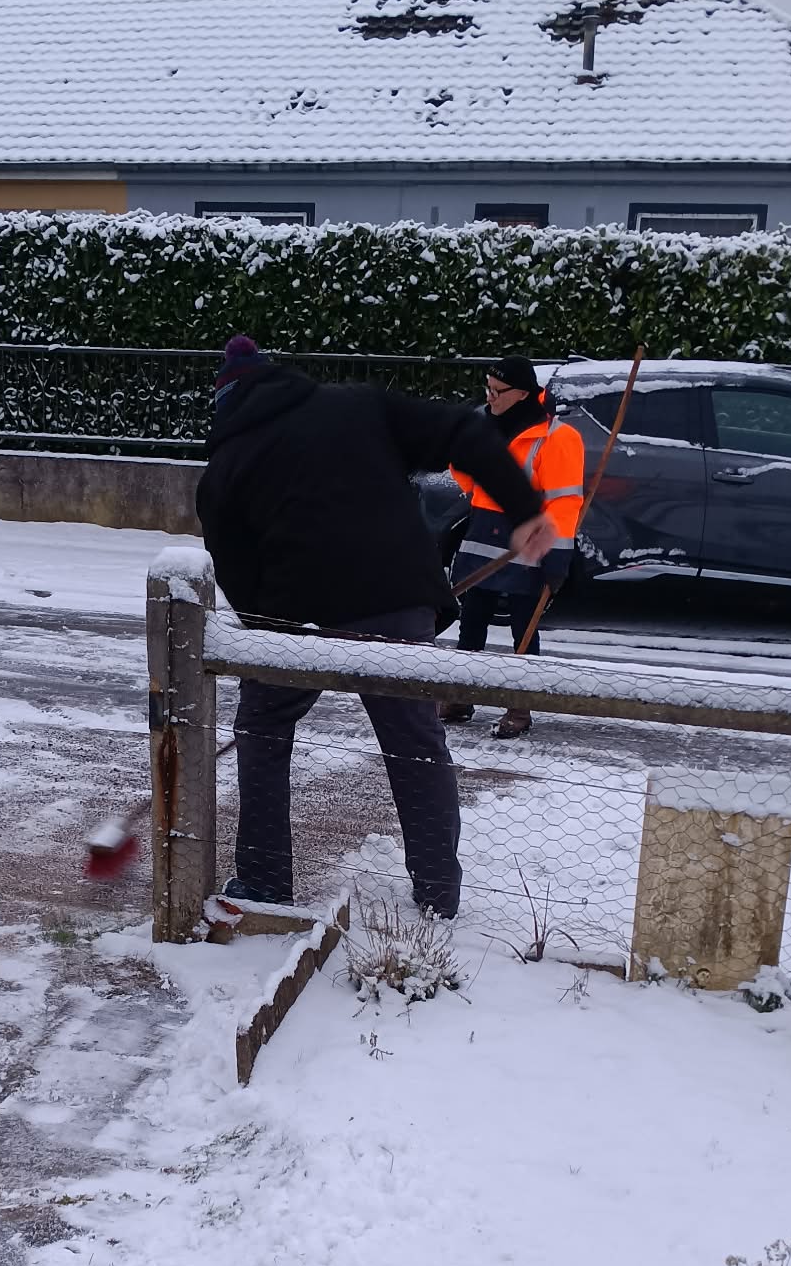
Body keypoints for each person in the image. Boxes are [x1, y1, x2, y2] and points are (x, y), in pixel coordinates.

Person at [195, 335, 554, 919]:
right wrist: (525, 509)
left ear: (226, 405)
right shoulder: (357, 405)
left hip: (295, 622)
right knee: (414, 742)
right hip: (395, 604)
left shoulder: (225, 469)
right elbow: (465, 434)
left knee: (262, 728)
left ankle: (262, 880)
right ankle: (438, 894)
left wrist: (273, 638)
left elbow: (239, 577)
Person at [440, 356, 585, 737]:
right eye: (486, 388)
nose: (490, 397)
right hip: (482, 534)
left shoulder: (556, 438)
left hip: (528, 540)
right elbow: (464, 473)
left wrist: (558, 555)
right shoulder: (484, 425)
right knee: (471, 622)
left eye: (497, 391)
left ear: (522, 394)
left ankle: (519, 706)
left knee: (524, 628)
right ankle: (460, 696)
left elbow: (564, 502)